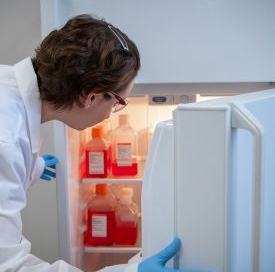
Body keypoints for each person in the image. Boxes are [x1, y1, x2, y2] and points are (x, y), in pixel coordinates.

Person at [0, 14, 203, 272]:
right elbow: (9, 267)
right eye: (118, 103)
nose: (110, 115)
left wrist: (34, 165)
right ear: (92, 97)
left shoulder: (8, 88)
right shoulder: (7, 140)